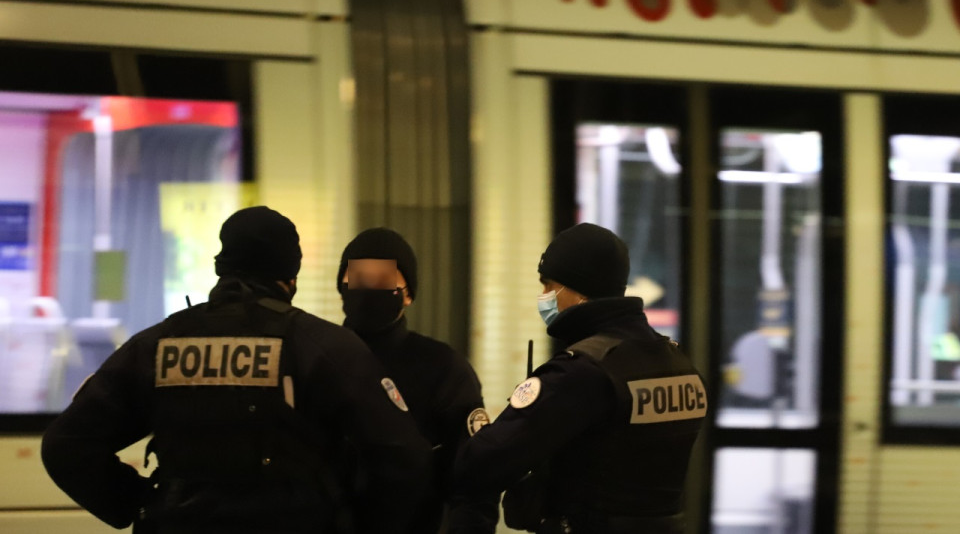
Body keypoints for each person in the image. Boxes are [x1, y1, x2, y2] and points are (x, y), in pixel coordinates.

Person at [41, 206, 432, 534]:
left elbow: (67, 446)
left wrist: (140, 503)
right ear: (290, 275)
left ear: (221, 265)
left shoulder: (156, 346)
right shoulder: (324, 347)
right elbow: (404, 457)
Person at [452, 223, 707, 534]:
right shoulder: (678, 362)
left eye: (549, 286)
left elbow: (479, 465)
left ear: (578, 287)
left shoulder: (582, 372)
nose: (544, 296)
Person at [336, 228, 498, 534]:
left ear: (408, 294)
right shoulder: (318, 357)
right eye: (358, 277)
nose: (368, 287)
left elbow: (475, 478)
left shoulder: (443, 367)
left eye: (382, 279)